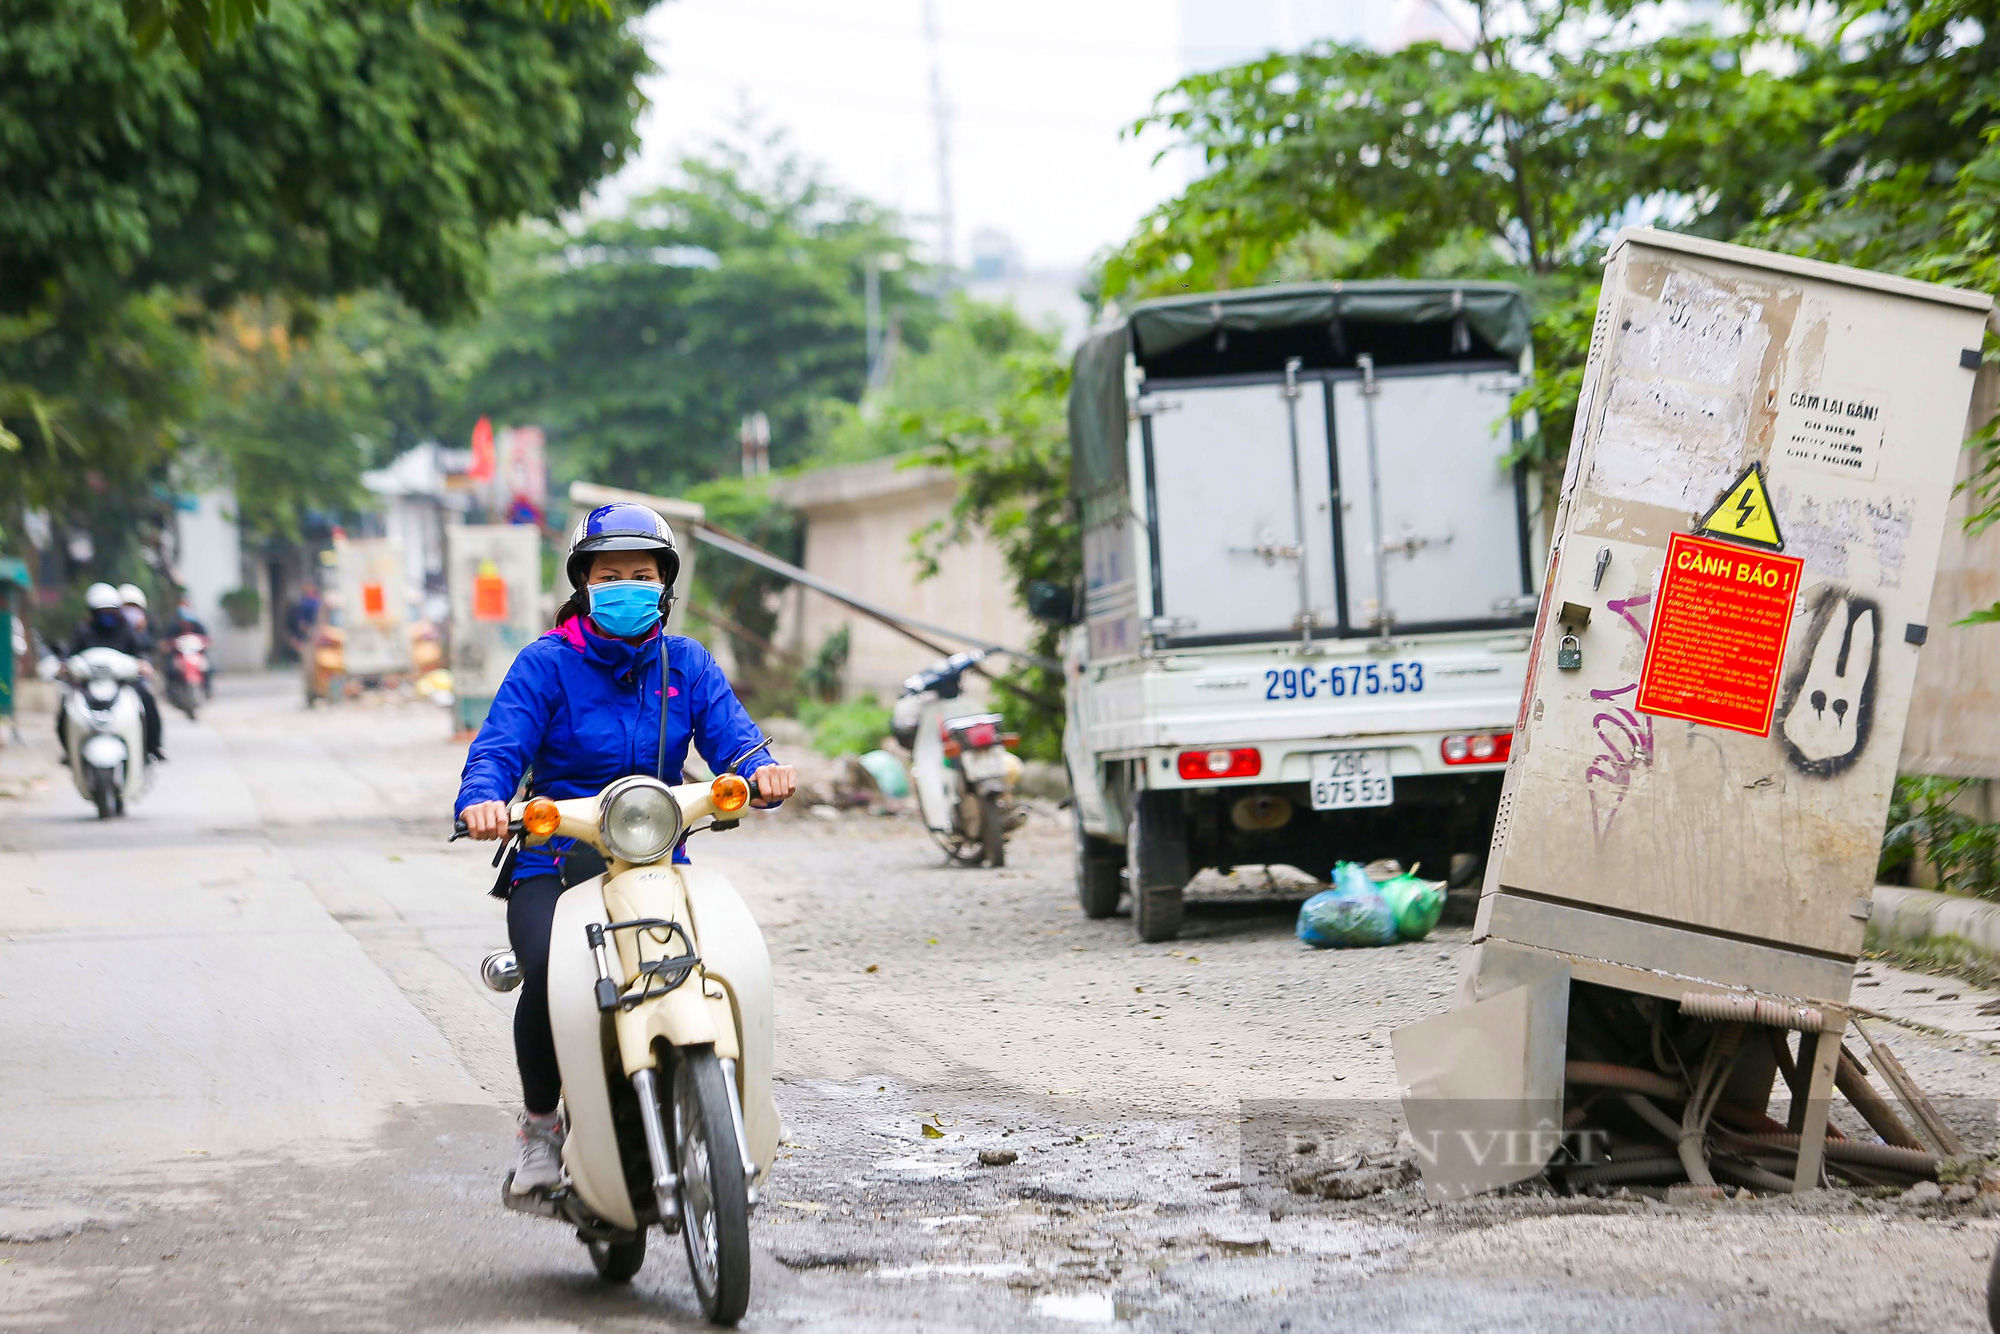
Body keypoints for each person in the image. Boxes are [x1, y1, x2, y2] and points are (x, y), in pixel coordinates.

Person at [454, 502, 798, 1196]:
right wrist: (483, 800)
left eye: (642, 574)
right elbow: (498, 748)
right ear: (583, 583)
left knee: (719, 954)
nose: (626, 586)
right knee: (552, 974)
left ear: (664, 586)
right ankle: (541, 1130)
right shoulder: (545, 665)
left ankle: (733, 1102)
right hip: (554, 857)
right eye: (609, 575)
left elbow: (736, 739)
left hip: (653, 855)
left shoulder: (689, 663)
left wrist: (761, 770)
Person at [61, 582, 165, 762]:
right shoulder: (83, 631)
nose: (106, 615)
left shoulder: (126, 631)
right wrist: (64, 667)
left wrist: (143, 664)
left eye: (110, 610)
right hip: (89, 684)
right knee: (66, 705)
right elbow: (70, 655)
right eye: (101, 611)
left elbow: (140, 652)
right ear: (92, 612)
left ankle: (152, 745)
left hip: (122, 683)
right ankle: (69, 750)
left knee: (146, 697)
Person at [162, 596, 213, 697]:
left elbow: (208, 640)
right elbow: (165, 642)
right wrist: (169, 645)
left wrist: (205, 644)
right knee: (169, 668)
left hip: (195, 654)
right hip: (179, 655)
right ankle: (170, 691)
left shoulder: (198, 625)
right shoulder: (173, 626)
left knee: (209, 668)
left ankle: (207, 689)